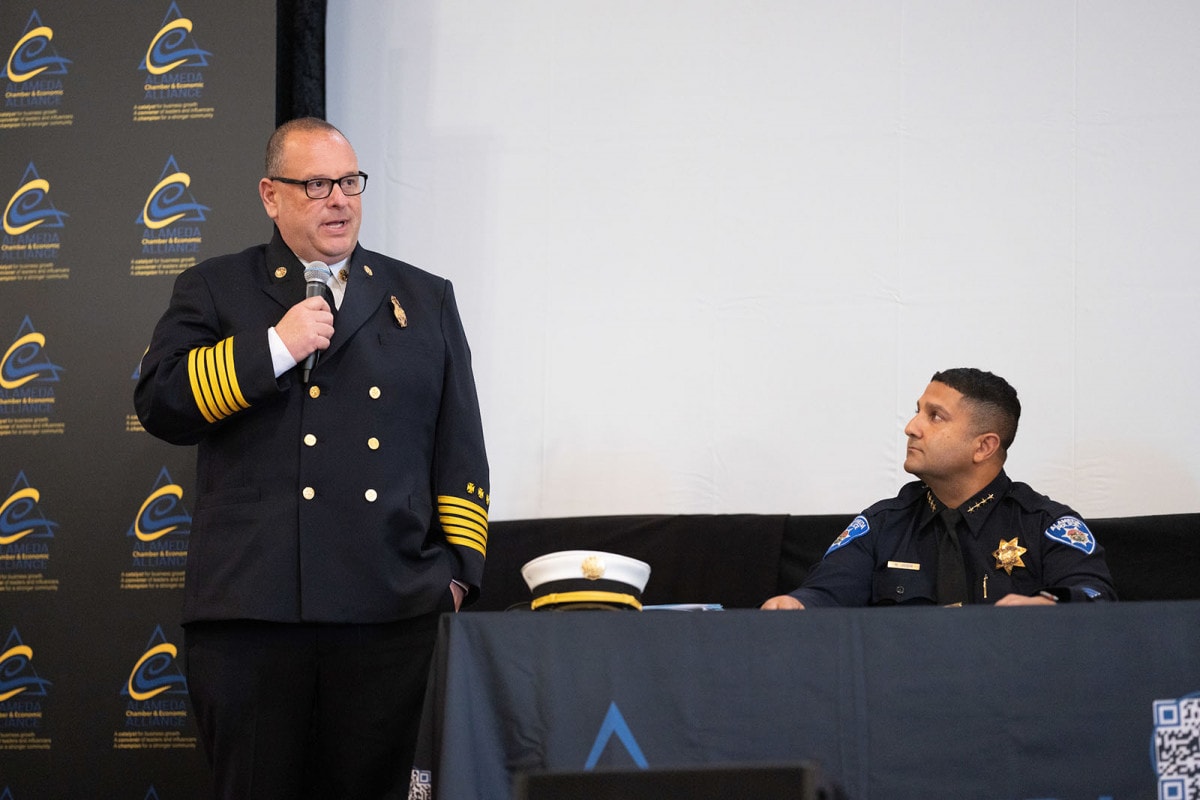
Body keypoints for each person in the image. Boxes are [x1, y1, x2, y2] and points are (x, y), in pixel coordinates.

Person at [134, 117, 490, 799]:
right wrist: (275, 346)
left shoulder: (422, 296)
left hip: (390, 617)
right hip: (254, 619)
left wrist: (454, 575)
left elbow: (460, 446)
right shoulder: (215, 288)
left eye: (350, 182)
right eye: (317, 184)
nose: (340, 200)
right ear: (272, 195)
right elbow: (161, 402)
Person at [762, 368, 1115, 609]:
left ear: (983, 447)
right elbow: (826, 593)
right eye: (918, 412)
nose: (912, 427)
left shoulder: (1045, 525)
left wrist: (1050, 606)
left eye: (935, 416)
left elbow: (1096, 596)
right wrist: (796, 604)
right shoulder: (884, 523)